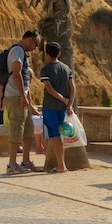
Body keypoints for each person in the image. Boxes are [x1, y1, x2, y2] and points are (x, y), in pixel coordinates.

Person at [4, 30, 42, 174]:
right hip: (15, 95)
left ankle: (25, 161)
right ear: (30, 39)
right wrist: (22, 95)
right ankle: (12, 164)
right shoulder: (17, 51)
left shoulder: (21, 52)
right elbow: (16, 73)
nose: (35, 48)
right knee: (16, 129)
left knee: (27, 129)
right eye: (36, 44)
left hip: (21, 95)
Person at [39, 41, 75, 174]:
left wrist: (62, 99)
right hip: (63, 108)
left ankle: (61, 165)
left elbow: (49, 89)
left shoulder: (46, 70)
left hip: (51, 106)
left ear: (47, 54)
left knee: (55, 136)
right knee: (62, 135)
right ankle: (60, 163)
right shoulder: (67, 69)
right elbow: (73, 88)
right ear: (59, 54)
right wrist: (69, 104)